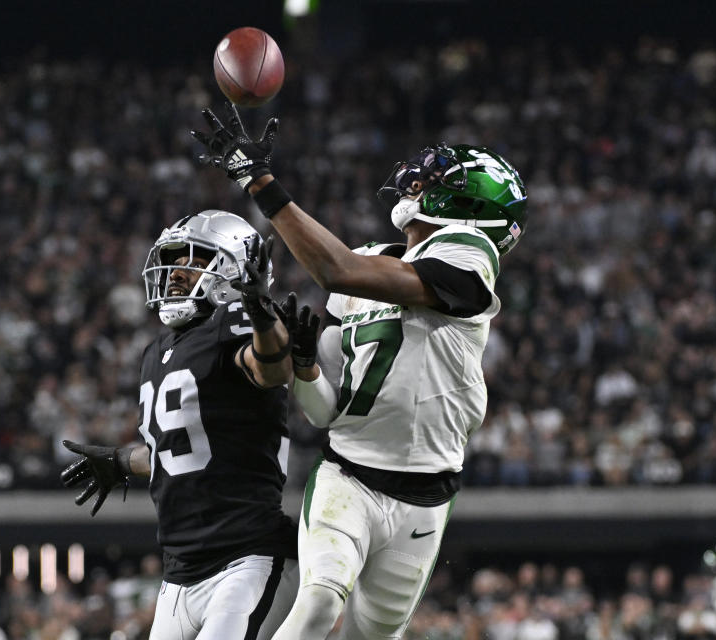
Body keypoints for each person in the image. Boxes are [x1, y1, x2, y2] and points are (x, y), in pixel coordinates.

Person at [191, 104, 528, 639]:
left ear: (469, 206)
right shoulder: (370, 263)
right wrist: (304, 365)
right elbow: (326, 412)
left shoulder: (468, 256)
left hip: (424, 495)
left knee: (372, 636)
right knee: (320, 601)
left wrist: (260, 183)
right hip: (348, 474)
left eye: (439, 179)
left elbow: (336, 269)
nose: (419, 181)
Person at [60, 211, 298, 640]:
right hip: (179, 570)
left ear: (232, 268)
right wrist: (121, 461)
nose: (174, 274)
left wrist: (261, 310)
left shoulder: (238, 322)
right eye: (172, 259)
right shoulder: (157, 349)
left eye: (191, 260)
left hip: (246, 557)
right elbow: (180, 448)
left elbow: (273, 370)